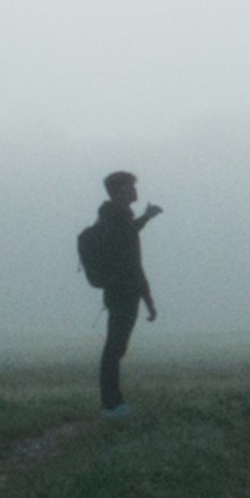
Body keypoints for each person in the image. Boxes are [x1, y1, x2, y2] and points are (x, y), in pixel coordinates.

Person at [76, 170, 160, 414]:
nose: (135, 191)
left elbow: (128, 240)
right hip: (123, 291)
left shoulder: (114, 217)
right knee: (115, 347)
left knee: (116, 346)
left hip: (119, 290)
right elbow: (132, 262)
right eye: (131, 186)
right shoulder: (117, 219)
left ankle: (113, 403)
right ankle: (112, 405)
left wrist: (145, 217)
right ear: (119, 191)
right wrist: (148, 299)